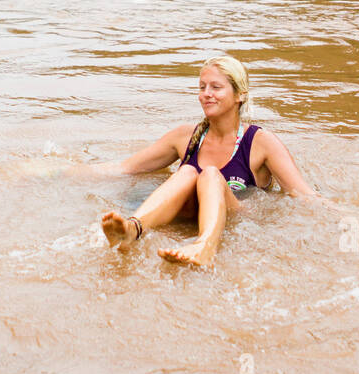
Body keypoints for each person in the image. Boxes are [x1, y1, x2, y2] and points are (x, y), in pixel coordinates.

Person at [90, 55, 317, 269]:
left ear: (240, 95)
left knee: (209, 174)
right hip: (186, 213)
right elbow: (124, 168)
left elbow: (304, 196)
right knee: (188, 172)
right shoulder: (184, 136)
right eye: (202, 87)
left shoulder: (261, 142)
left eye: (216, 87)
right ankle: (133, 229)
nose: (206, 94)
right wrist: (59, 171)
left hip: (236, 214)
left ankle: (205, 246)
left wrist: (347, 214)